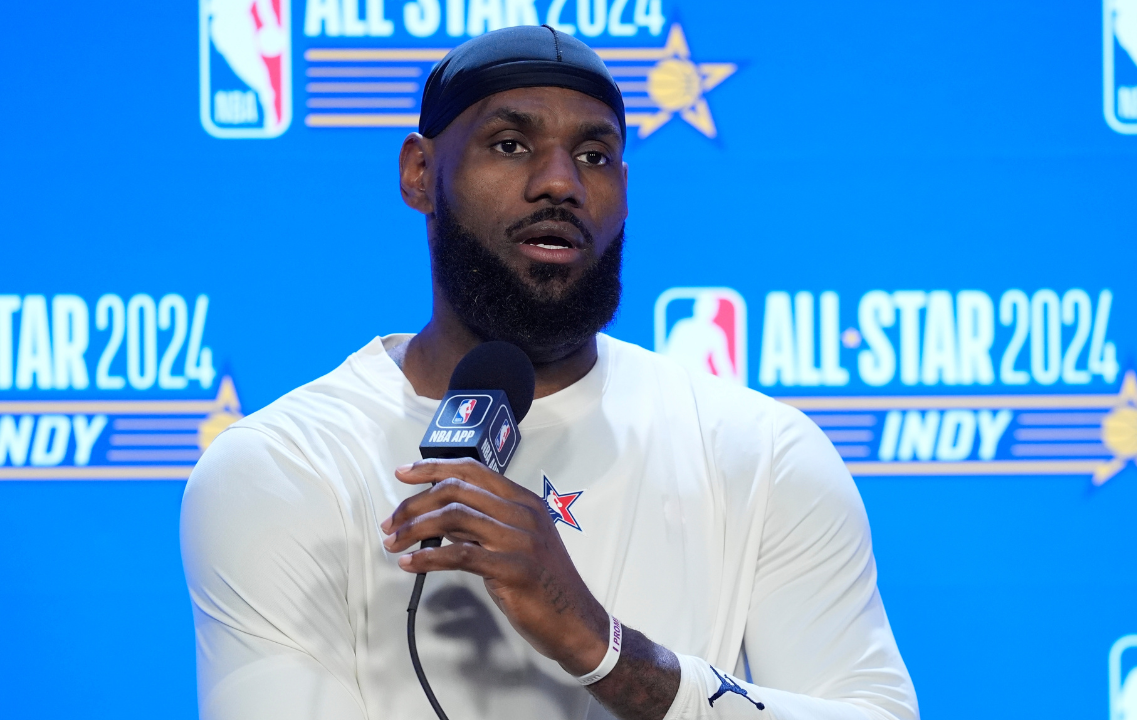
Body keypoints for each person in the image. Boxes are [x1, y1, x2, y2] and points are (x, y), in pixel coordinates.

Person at [180, 25, 917, 720]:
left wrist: (604, 650)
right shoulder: (282, 465)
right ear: (419, 172)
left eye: (594, 155)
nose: (559, 183)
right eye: (509, 144)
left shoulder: (761, 452)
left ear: (624, 192)